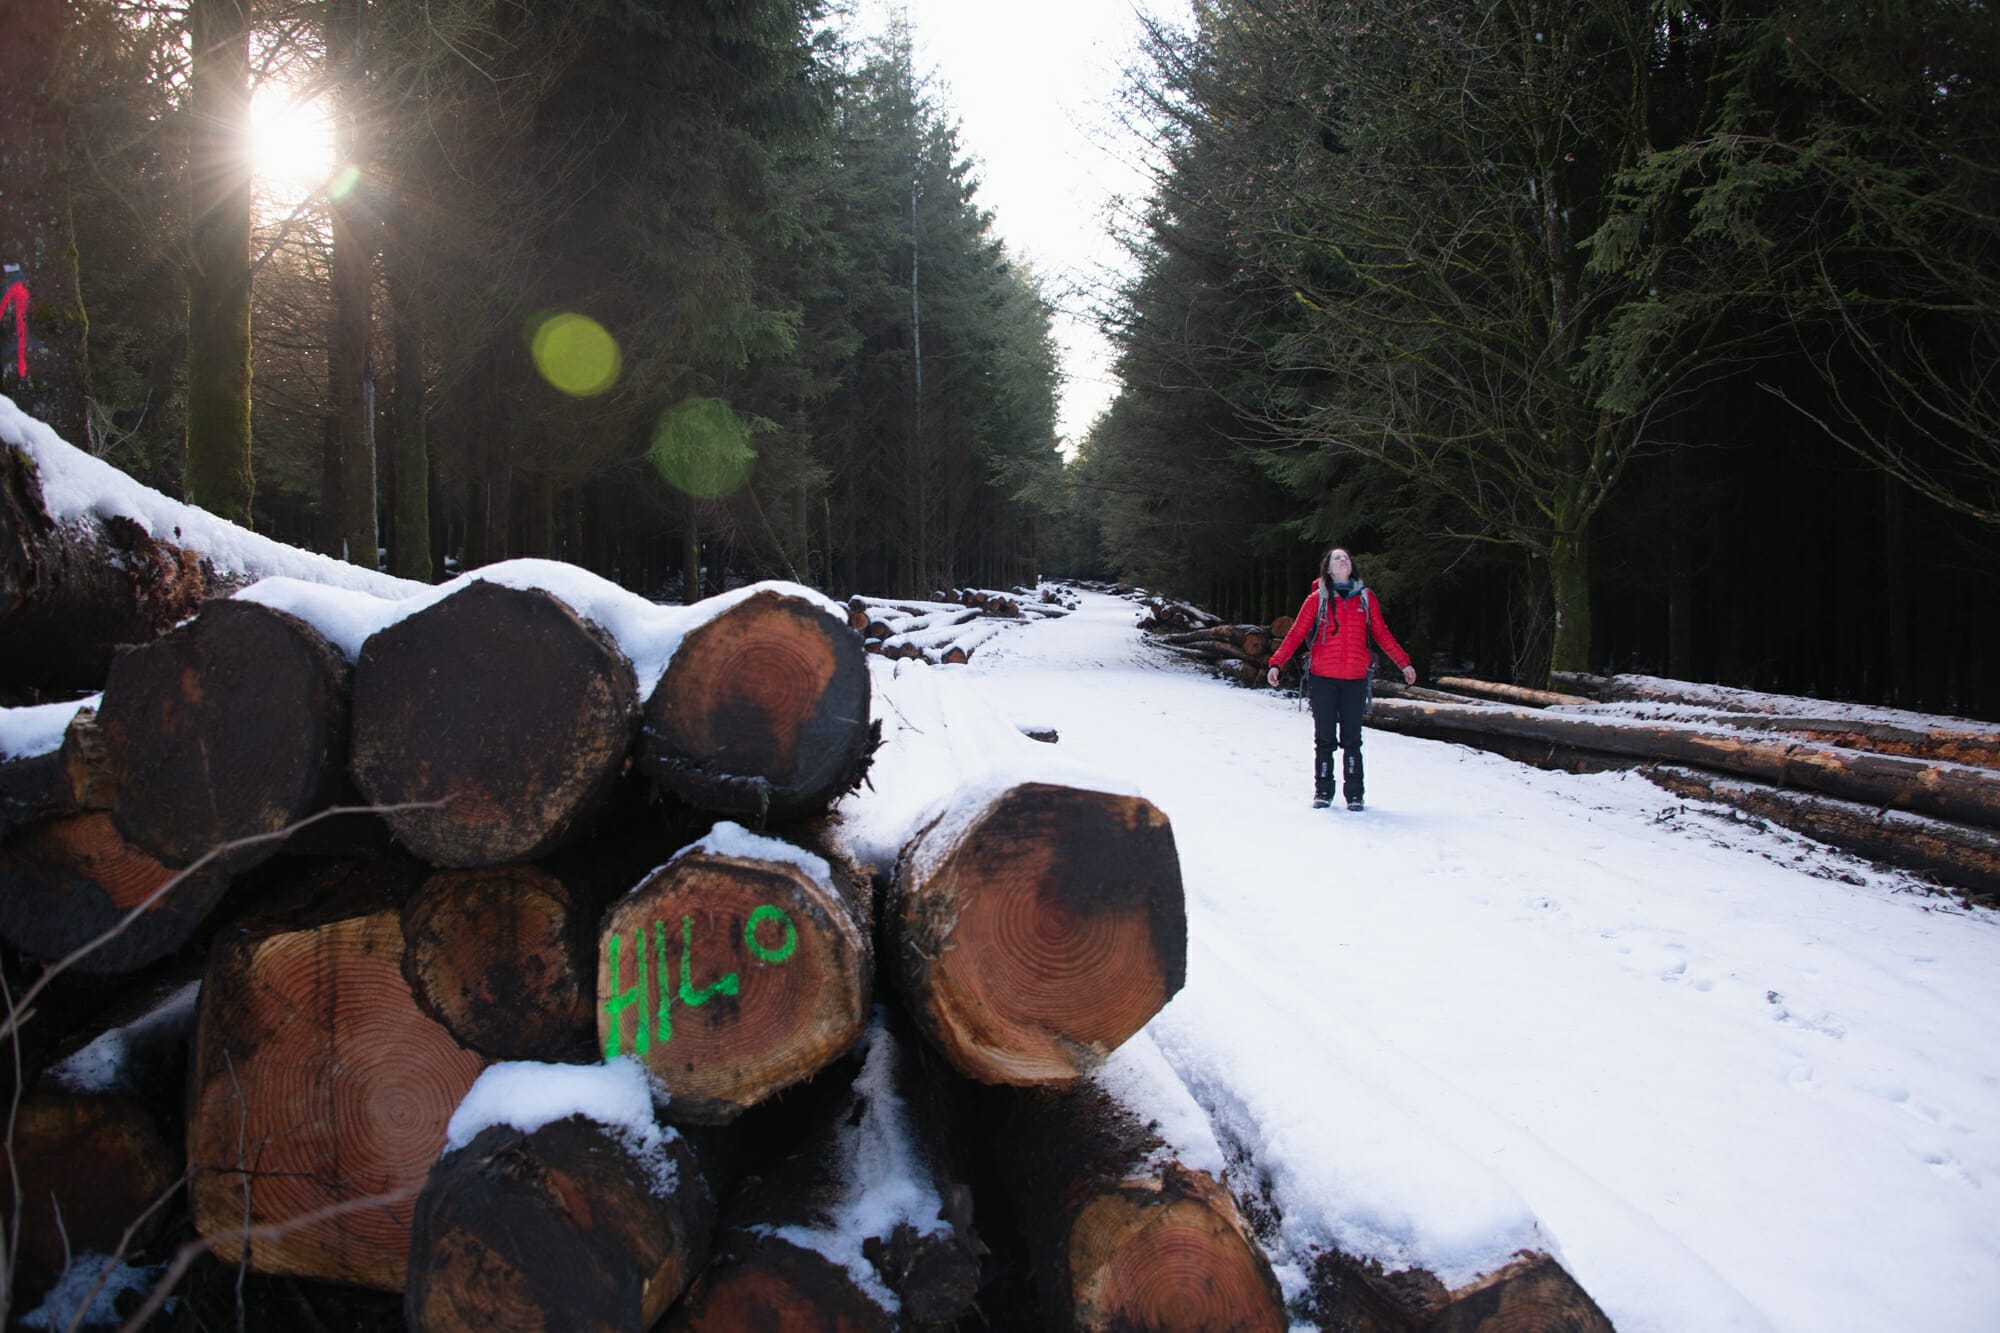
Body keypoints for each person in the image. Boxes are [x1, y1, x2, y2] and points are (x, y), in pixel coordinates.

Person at [1265, 547, 1417, 810]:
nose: (1344, 559)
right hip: (1322, 678)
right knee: (1325, 738)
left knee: (1352, 740)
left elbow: (1382, 634)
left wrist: (1404, 663)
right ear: (1328, 568)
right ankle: (1323, 791)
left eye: (1346, 557)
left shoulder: (1366, 598)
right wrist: (1276, 663)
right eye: (1338, 557)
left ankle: (1355, 795)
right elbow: (1296, 634)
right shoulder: (1316, 599)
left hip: (1356, 679)